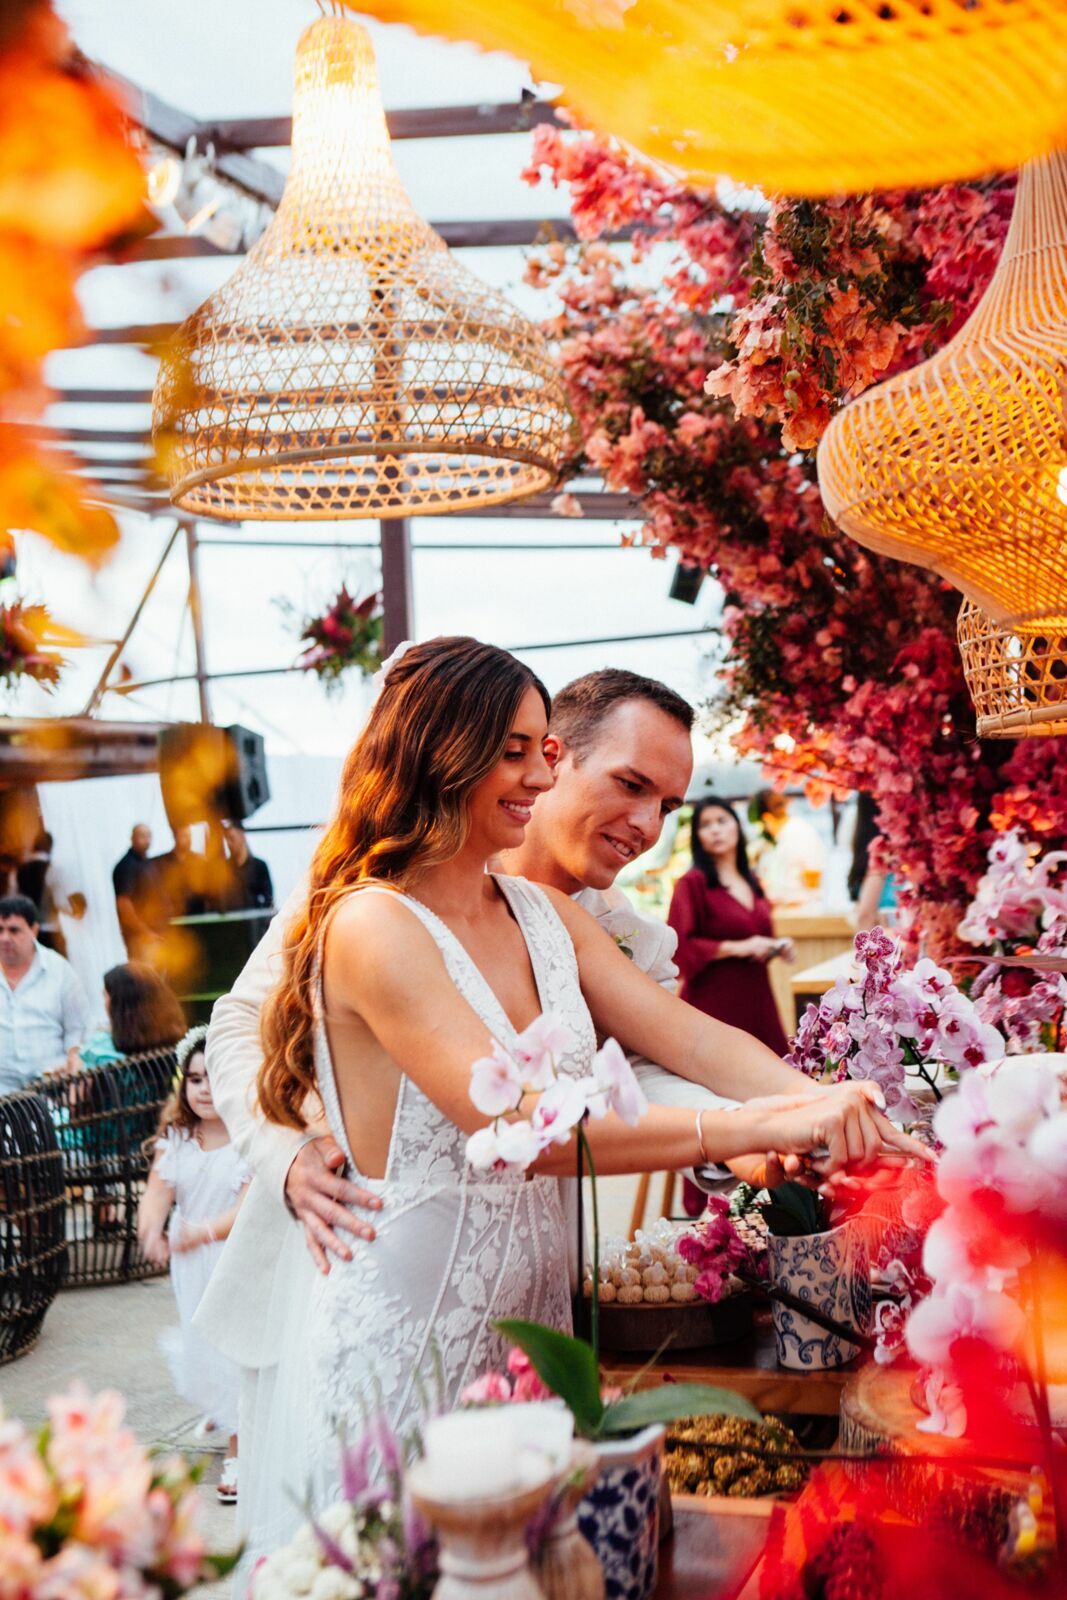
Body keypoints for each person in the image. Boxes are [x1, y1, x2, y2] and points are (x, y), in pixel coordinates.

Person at [205, 638, 925, 1559]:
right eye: (520, 751)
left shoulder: (558, 916)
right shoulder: (367, 914)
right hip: (384, 1293)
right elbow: (513, 1125)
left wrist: (841, 1105)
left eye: (666, 803)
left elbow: (688, 1042)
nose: (645, 820)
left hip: (527, 1316)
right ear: (444, 748)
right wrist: (287, 1155)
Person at [138, 1026, 250, 1506]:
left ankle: (240, 1450)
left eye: (217, 1078)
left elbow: (246, 1211)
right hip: (190, 1264)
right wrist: (151, 1233)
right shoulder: (178, 1139)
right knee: (201, 1345)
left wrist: (200, 1234)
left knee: (235, 1356)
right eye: (197, 1079)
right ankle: (218, 1406)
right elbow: (157, 1194)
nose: (206, 1090)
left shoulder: (249, 1140)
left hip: (233, 1260)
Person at [668, 797, 794, 1056]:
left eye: (721, 821)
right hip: (714, 1006)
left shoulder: (753, 881)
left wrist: (776, 948)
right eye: (705, 825)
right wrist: (739, 948)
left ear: (737, 827)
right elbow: (680, 946)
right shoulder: (691, 884)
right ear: (697, 836)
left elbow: (758, 938)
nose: (715, 829)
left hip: (758, 999)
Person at [0, 894, 90, 1095]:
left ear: (34, 930)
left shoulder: (59, 971)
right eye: (0, 930)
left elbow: (78, 1030)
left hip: (51, 1089)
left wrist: (72, 1065)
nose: (5, 938)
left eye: (14, 930)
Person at [80, 962, 188, 1067]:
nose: (104, 1004)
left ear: (117, 1005)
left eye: (105, 996)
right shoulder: (179, 1045)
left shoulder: (99, 1052)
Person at [751, 787, 826, 909]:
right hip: (790, 908)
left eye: (761, 825)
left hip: (801, 909)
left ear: (766, 818)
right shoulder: (787, 833)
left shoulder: (798, 832)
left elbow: (813, 878)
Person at [113, 825, 163, 960]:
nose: (146, 840)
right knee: (144, 976)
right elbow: (124, 904)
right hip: (139, 938)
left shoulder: (147, 863)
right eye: (142, 836)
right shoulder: (127, 866)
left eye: (148, 836)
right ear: (132, 838)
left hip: (155, 934)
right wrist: (144, 932)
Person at [17, 832, 65, 955]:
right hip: (50, 931)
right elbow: (60, 901)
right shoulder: (51, 869)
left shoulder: (19, 872)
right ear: (50, 847)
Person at [220, 823, 274, 911]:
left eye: (232, 838)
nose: (229, 844)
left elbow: (268, 900)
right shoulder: (224, 869)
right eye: (227, 839)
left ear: (242, 836)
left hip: (256, 922)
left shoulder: (259, 866)